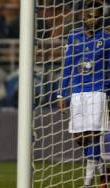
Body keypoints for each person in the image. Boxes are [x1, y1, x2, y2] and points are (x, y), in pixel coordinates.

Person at [57, 0, 110, 187]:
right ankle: (104, 170)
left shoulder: (107, 38)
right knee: (80, 138)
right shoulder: (74, 36)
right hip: (78, 92)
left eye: (96, 17)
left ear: (100, 18)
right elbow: (68, 66)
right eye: (89, 16)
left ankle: (88, 183)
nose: (92, 20)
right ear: (83, 16)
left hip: (98, 91)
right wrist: (61, 94)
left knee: (94, 135)